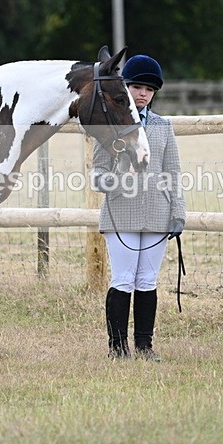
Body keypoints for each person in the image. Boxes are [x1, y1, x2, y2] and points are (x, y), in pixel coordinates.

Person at [91, 54, 186, 360]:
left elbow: (173, 172)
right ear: (125, 88)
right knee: (123, 279)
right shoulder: (109, 125)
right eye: (137, 87)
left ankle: (145, 347)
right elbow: (97, 176)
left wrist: (178, 213)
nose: (143, 93)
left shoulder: (163, 127)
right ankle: (117, 348)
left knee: (147, 281)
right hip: (122, 213)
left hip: (158, 212)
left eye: (149, 88)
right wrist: (119, 176)